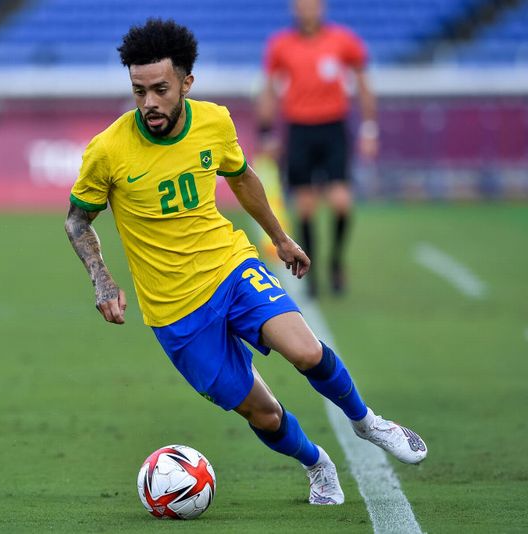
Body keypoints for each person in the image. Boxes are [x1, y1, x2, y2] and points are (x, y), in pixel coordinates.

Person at [64, 18, 425, 507]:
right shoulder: (107, 150)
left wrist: (279, 238)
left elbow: (242, 177)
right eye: (139, 90)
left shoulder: (214, 122)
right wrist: (102, 279)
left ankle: (368, 422)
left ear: (186, 83)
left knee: (306, 352)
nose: (149, 102)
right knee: (265, 414)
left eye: (160, 89)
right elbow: (77, 221)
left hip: (229, 268)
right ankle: (316, 463)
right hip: (174, 312)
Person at [257, 0, 378, 297]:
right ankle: (309, 269)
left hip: (333, 128)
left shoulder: (343, 41)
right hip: (299, 130)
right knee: (306, 205)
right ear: (294, 9)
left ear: (321, 7)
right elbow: (269, 89)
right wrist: (266, 131)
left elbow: (363, 83)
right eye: (302, 5)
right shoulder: (281, 45)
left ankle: (336, 261)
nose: (307, 10)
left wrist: (369, 128)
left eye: (312, 5)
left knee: (341, 201)